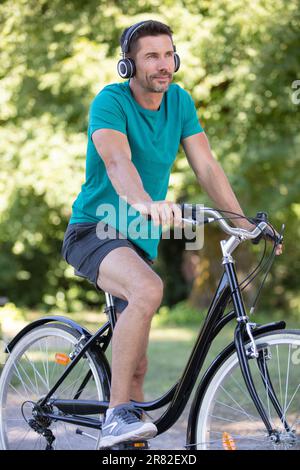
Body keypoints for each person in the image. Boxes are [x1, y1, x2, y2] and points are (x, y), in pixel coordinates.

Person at [61, 19, 282, 449]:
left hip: (136, 243)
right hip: (94, 229)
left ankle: (129, 445)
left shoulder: (179, 102)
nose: (164, 65)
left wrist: (241, 222)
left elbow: (206, 165)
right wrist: (144, 202)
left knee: (139, 366)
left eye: (168, 55)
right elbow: (117, 162)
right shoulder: (110, 102)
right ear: (129, 65)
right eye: (152, 56)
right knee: (148, 289)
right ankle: (114, 418)